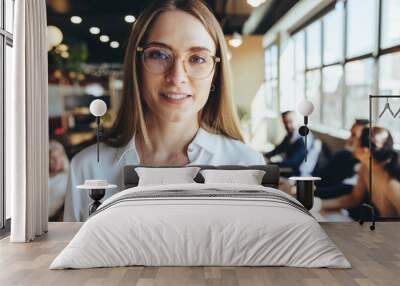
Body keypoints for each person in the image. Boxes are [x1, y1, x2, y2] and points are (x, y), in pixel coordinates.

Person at [64, 0, 265, 222]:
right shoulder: (88, 168)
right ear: (137, 65)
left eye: (197, 58)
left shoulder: (245, 163)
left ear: (215, 74)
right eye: (159, 55)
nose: (177, 77)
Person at [321, 127, 400, 219]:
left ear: (365, 151)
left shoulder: (391, 183)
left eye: (356, 140)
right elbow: (353, 199)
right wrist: (318, 205)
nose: (352, 142)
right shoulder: (365, 168)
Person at [314, 119, 369, 199]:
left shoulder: (366, 168)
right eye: (350, 133)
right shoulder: (341, 156)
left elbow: (342, 193)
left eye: (354, 135)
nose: (349, 139)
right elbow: (320, 177)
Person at [264, 111, 306, 177]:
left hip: (301, 175)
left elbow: (293, 162)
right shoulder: (289, 136)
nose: (288, 126)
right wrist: (264, 156)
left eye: (290, 122)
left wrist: (271, 163)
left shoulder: (302, 139)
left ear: (297, 121)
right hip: (291, 170)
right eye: (285, 123)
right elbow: (278, 149)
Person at [49, 140, 69, 221]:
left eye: (60, 157)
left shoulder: (68, 178)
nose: (57, 161)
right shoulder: (38, 178)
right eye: (53, 158)